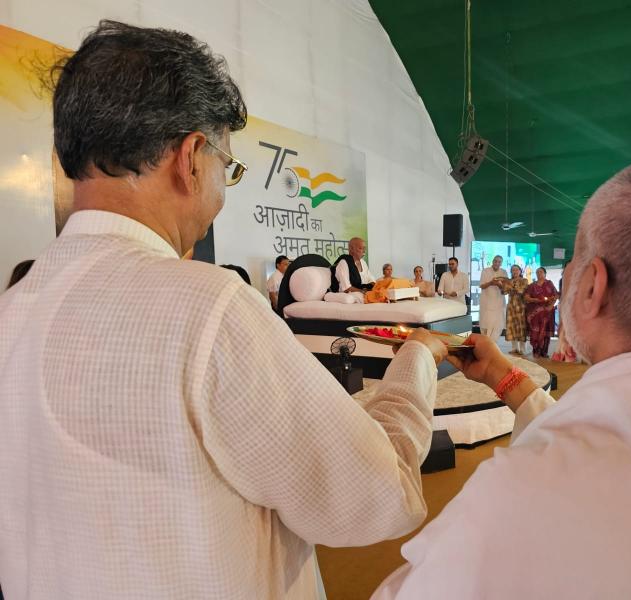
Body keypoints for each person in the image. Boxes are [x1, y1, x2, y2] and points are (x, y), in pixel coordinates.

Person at [0, 21, 450, 600]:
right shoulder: (208, 309)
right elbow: (372, 497)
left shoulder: (12, 311)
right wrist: (414, 365)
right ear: (191, 157)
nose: (222, 191)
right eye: (228, 168)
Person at [373, 156, 631, 599]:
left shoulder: (523, 493)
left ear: (594, 285)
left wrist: (416, 360)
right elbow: (625, 437)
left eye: (574, 259)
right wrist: (509, 382)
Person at [524, 267, 558, 358]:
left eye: (541, 272)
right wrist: (534, 299)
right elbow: (526, 297)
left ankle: (544, 352)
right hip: (535, 313)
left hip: (547, 312)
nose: (539, 274)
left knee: (546, 333)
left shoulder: (549, 284)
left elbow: (555, 295)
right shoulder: (532, 285)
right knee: (535, 333)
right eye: (537, 272)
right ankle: (536, 350)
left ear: (545, 273)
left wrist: (551, 306)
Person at [478, 255, 508, 341]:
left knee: (497, 325)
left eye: (499, 262)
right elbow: (481, 285)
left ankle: (492, 344)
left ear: (501, 263)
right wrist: (491, 283)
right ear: (492, 261)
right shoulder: (485, 271)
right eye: (495, 261)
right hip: (487, 302)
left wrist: (499, 285)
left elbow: (506, 289)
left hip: (499, 303)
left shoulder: (504, 272)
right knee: (486, 325)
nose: (497, 263)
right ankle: (486, 343)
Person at [502, 264, 528, 354]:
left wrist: (512, 286)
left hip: (521, 307)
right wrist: (508, 285)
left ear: (520, 271)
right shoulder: (508, 281)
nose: (515, 271)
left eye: (516, 270)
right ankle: (514, 348)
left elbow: (521, 290)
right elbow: (504, 291)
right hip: (511, 307)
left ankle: (522, 349)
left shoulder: (524, 280)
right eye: (513, 270)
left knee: (521, 327)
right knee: (512, 327)